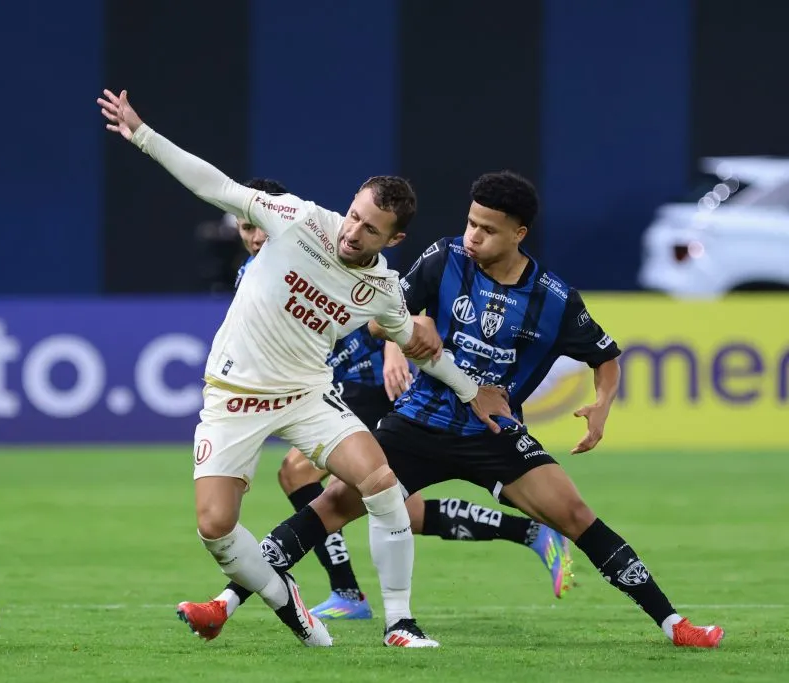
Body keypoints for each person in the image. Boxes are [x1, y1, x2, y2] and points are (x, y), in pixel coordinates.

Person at [191, 170, 725, 649]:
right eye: (471, 223)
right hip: (419, 422)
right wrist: (400, 346)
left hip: (493, 432)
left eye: (488, 230)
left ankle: (674, 624)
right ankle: (226, 602)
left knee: (576, 515)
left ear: (519, 233)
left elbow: (606, 357)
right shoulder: (444, 257)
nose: (473, 237)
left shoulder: (555, 298)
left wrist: (603, 406)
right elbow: (386, 313)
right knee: (331, 504)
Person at [97, 89, 513, 648]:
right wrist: (142, 134)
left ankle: (399, 623)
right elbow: (214, 185)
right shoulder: (300, 220)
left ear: (394, 239)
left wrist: (471, 391)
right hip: (233, 395)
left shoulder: (383, 290)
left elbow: (421, 346)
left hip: (305, 395)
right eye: (355, 215)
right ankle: (285, 602)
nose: (352, 232)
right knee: (214, 526)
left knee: (381, 482)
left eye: (370, 230)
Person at [186, 179, 573, 635]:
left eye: (257, 224)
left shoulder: (314, 240)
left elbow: (406, 317)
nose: (254, 236)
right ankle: (524, 534)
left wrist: (401, 341)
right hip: (325, 385)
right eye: (244, 227)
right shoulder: (260, 267)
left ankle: (347, 595)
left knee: (313, 475)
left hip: (375, 386)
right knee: (390, 505)